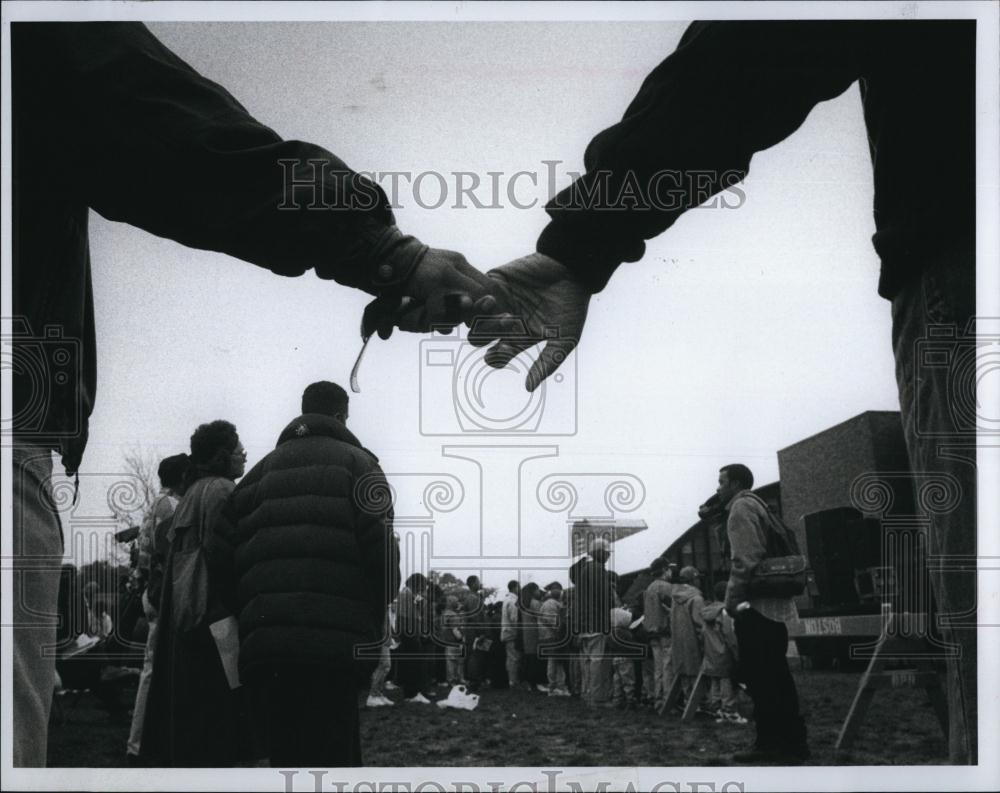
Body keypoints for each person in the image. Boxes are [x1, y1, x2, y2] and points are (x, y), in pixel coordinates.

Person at [469, 21, 976, 764]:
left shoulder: (740, 509)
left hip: (962, 244)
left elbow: (754, 52)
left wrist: (584, 238)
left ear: (734, 482)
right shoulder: (752, 509)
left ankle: (780, 748)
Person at [9, 22, 497, 767]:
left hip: (264, 640)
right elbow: (160, 125)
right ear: (341, 411)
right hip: (321, 641)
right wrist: (382, 251)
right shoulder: (348, 472)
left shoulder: (264, 477)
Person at [224, 382, 400, 765]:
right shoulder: (361, 465)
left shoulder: (255, 476)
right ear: (341, 416)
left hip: (267, 644)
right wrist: (376, 611)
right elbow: (382, 557)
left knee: (286, 756)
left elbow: (228, 555)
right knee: (335, 753)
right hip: (335, 643)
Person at [140, 420, 247, 766]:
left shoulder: (190, 494)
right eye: (237, 449)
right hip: (214, 625)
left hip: (187, 621)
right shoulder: (220, 491)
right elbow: (224, 556)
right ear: (220, 456)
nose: (243, 454)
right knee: (218, 728)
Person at [719, 463, 808, 763]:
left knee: (761, 678)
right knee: (777, 675)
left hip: (754, 605)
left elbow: (744, 560)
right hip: (775, 605)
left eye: (721, 482)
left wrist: (731, 602)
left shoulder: (740, 508)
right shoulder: (761, 507)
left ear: (735, 484)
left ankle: (769, 743)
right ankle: (793, 743)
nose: (718, 488)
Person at [126, 453, 191, 764]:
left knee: (154, 670)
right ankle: (138, 743)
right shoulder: (172, 507)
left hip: (150, 593)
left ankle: (144, 741)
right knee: (153, 671)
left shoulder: (157, 504)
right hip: (161, 594)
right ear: (182, 478)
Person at [568, 538, 618, 707]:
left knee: (587, 661)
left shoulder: (584, 570)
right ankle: (598, 698)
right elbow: (603, 598)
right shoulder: (597, 569)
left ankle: (587, 694)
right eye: (606, 553)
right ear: (600, 553)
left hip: (583, 623)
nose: (608, 556)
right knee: (598, 662)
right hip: (596, 622)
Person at [702, 581, 745, 724]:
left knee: (715, 681)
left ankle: (717, 709)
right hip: (724, 653)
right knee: (727, 682)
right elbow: (729, 635)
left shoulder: (707, 611)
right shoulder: (724, 612)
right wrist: (737, 654)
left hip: (711, 654)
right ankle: (730, 711)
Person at [670, 566, 705, 709]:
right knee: (696, 672)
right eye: (698, 578)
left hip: (678, 640)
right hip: (693, 641)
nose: (699, 581)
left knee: (684, 672)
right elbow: (699, 623)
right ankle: (699, 703)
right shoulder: (696, 598)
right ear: (693, 579)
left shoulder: (675, 597)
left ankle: (687, 701)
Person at [397, 573, 435, 704]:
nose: (424, 587)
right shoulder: (406, 595)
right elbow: (407, 618)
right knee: (413, 665)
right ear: (417, 583)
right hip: (410, 634)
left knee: (412, 664)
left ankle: (412, 693)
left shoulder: (408, 595)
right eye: (423, 584)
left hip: (410, 634)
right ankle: (412, 694)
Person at [643, 557, 674, 711]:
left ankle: (658, 700)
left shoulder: (649, 588)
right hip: (665, 632)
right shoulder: (666, 587)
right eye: (669, 568)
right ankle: (668, 701)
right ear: (664, 570)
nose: (671, 571)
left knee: (658, 668)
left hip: (652, 633)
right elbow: (672, 608)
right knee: (668, 667)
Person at [538, 582, 570, 697]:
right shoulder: (551, 603)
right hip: (552, 636)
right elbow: (552, 621)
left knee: (556, 661)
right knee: (554, 661)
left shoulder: (550, 603)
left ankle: (557, 686)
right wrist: (559, 630)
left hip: (550, 636)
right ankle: (554, 687)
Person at [519, 582, 547, 692]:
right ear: (533, 591)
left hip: (527, 633)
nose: (538, 592)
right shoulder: (535, 603)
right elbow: (543, 617)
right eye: (537, 590)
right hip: (536, 633)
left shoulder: (523, 603)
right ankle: (537, 683)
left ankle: (530, 683)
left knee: (529, 659)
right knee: (536, 659)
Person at [609, 604, 637, 709]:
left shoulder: (611, 632)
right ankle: (630, 700)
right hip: (626, 658)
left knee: (617, 680)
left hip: (615, 658)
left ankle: (617, 700)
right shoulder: (625, 633)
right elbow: (632, 645)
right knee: (628, 680)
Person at [500, 580, 523, 688]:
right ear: (515, 587)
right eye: (519, 586)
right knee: (514, 658)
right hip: (512, 632)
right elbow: (514, 619)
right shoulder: (513, 601)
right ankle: (513, 681)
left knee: (510, 658)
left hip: (507, 632)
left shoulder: (506, 599)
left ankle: (511, 680)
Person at [440, 596, 466, 687]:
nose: (458, 603)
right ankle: (455, 680)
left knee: (452, 662)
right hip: (455, 641)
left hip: (448, 641)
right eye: (456, 601)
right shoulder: (452, 615)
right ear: (451, 602)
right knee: (456, 662)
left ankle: (453, 679)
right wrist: (461, 638)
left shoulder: (445, 614)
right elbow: (455, 630)